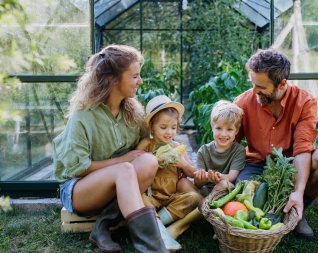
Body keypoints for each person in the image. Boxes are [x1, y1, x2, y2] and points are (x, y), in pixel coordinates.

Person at [53, 45, 168, 253]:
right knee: (125, 169)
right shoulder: (83, 115)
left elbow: (144, 147)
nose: (140, 81)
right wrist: (123, 160)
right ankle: (154, 249)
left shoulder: (132, 111)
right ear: (114, 79)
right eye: (134, 76)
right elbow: (79, 169)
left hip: (118, 185)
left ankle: (102, 226)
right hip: (78, 189)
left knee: (149, 161)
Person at [234, 49, 318, 240]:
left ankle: (298, 209)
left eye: (260, 86)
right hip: (256, 165)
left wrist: (298, 192)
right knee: (248, 203)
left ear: (282, 84)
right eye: (252, 84)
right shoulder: (243, 102)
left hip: (290, 167)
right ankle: (278, 212)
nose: (254, 91)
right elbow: (231, 145)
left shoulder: (304, 101)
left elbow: (302, 148)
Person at [136, 95, 201, 251]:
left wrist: (183, 164)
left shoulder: (177, 146)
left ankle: (158, 225)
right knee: (140, 197)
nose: (169, 132)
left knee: (194, 198)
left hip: (170, 198)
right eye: (163, 127)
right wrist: (152, 159)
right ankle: (164, 235)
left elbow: (193, 173)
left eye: (173, 127)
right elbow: (134, 165)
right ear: (152, 127)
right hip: (151, 196)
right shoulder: (147, 144)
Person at [194, 100, 246, 195]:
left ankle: (206, 203)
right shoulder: (203, 151)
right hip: (205, 190)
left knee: (225, 184)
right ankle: (205, 201)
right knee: (185, 185)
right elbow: (198, 183)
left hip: (224, 192)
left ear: (236, 131)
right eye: (219, 128)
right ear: (212, 127)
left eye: (229, 129)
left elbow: (232, 177)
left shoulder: (239, 150)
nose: (223, 134)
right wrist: (203, 177)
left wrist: (218, 176)